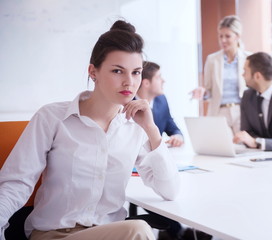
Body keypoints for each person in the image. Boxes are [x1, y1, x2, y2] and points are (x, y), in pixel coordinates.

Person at [0, 20, 180, 240]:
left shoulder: (134, 127)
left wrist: (151, 129)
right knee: (139, 230)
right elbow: (17, 183)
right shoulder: (52, 118)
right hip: (55, 234)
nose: (128, 82)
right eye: (117, 71)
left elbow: (169, 190)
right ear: (92, 72)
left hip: (109, 233)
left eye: (136, 73)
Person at [190, 15, 250, 134]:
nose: (223, 40)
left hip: (242, 112)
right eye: (220, 36)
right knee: (222, 149)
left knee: (244, 148)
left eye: (227, 36)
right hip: (219, 112)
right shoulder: (212, 59)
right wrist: (203, 92)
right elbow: (209, 90)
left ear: (237, 36)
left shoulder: (249, 58)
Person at [137, 61, 184, 147]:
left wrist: (177, 137)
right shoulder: (126, 104)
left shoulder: (161, 100)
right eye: (158, 77)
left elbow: (172, 128)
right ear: (146, 83)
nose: (163, 81)